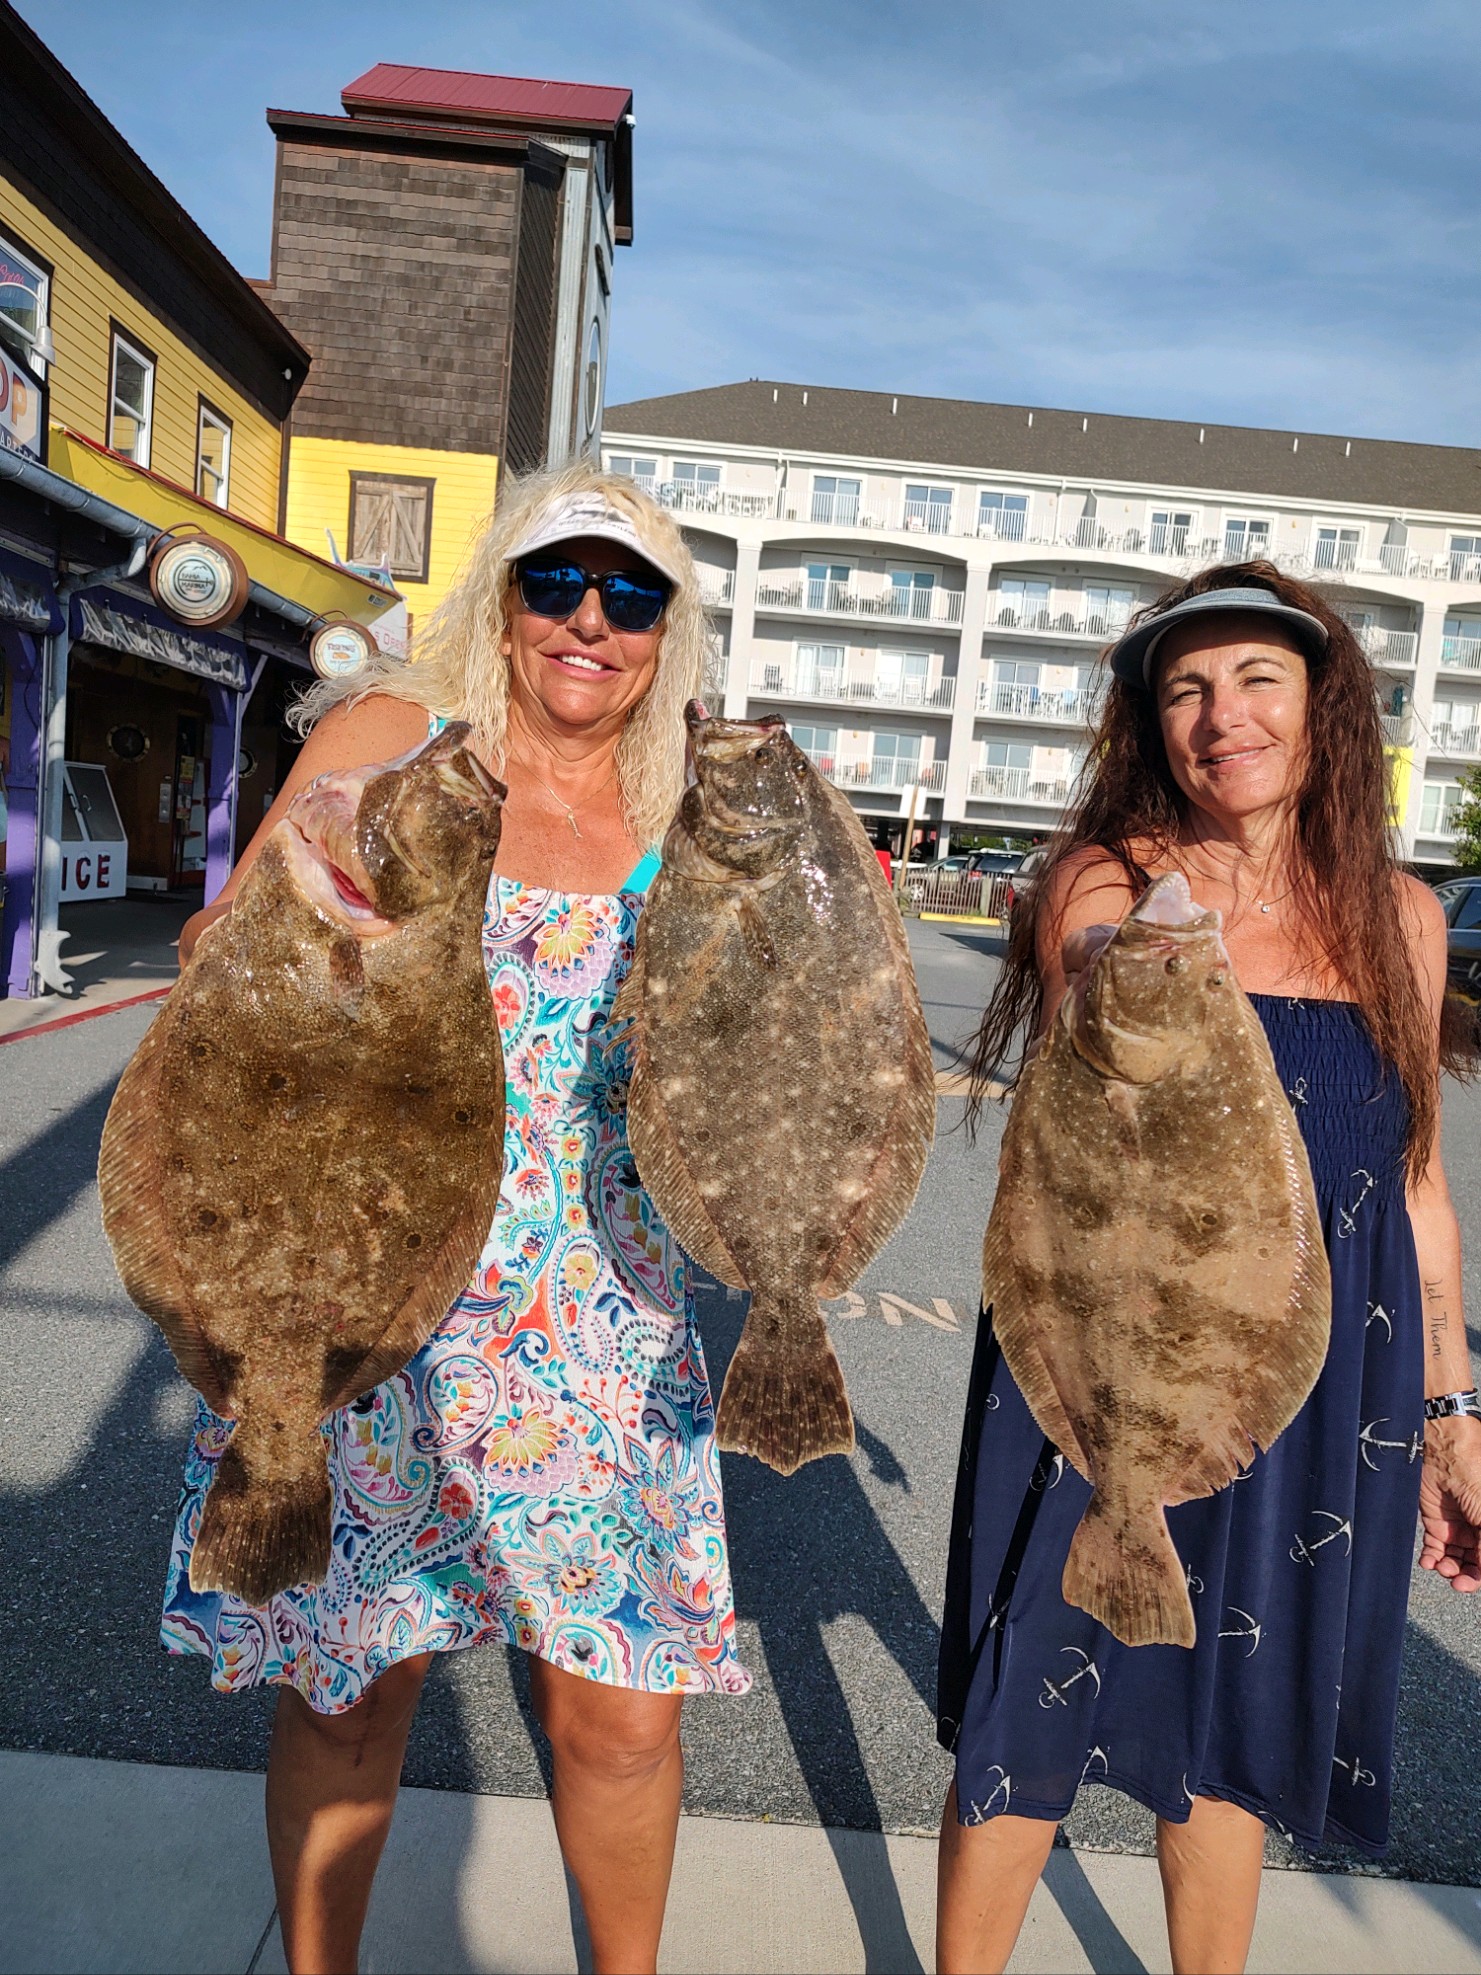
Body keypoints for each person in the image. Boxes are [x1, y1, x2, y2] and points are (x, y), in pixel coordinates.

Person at [162, 465, 750, 1975]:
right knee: (349, 1686)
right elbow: (215, 969)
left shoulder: (693, 798)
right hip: (358, 1290)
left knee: (616, 1711)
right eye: (557, 581)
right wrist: (300, 880)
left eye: (631, 595)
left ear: (669, 627)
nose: (589, 622)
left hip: (601, 1307)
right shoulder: (391, 737)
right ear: (502, 591)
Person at [937, 563, 1481, 1975]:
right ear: (1148, 721)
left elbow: (1412, 1178)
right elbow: (1101, 989)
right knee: (1027, 1700)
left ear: (1324, 711)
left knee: (1235, 1716)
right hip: (1107, 1352)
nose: (1218, 716)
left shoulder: (1403, 922)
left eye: (1255, 682)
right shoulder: (1106, 881)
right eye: (1183, 689)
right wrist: (1152, 943)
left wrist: (1446, 1409)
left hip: (1313, 1380)